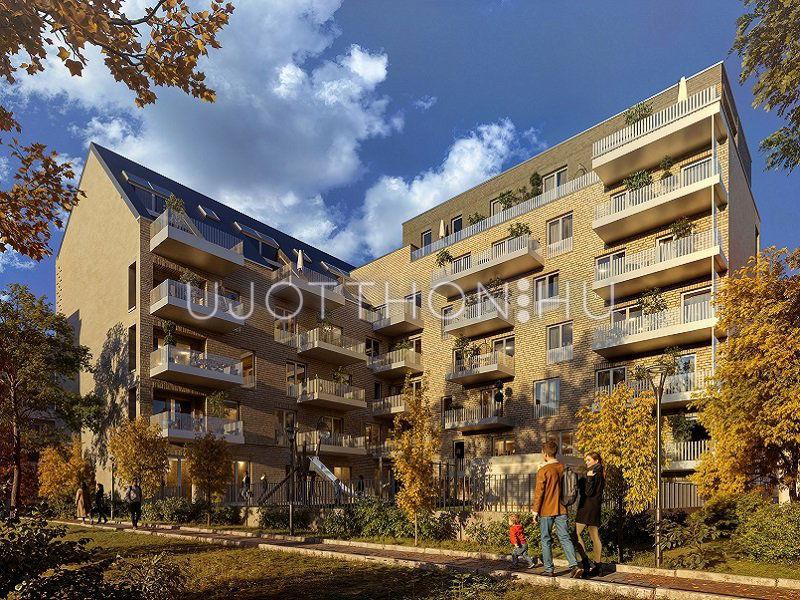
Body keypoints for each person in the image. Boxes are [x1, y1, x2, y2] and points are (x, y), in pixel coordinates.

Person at [532, 440, 582, 578]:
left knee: (546, 539)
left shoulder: (543, 470)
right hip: (562, 509)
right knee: (565, 537)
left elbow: (539, 493)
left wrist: (535, 512)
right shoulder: (563, 467)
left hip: (546, 510)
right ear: (555, 452)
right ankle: (574, 566)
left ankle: (549, 569)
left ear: (545, 454)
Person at [575, 452, 605, 576]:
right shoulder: (601, 472)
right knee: (594, 535)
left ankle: (586, 562)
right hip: (595, 507)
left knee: (575, 534)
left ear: (596, 461)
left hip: (586, 508)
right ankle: (598, 566)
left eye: (588, 460)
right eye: (586, 460)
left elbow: (588, 492)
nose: (586, 462)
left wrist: (589, 478)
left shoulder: (593, 473)